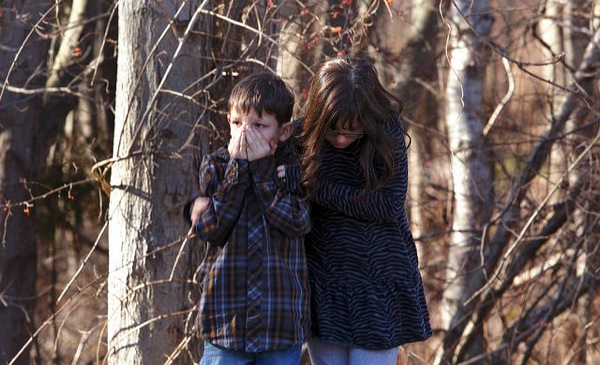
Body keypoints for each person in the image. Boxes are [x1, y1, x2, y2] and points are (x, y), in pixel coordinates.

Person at [300, 56, 432, 365]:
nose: (342, 139)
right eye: (333, 131)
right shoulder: (301, 139)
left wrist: (316, 189)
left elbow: (387, 204)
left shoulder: (387, 135)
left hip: (380, 283)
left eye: (352, 131)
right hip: (325, 284)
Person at [183, 71, 311, 365]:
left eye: (259, 125)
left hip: (279, 324)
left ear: (284, 131)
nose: (246, 133)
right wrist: (238, 171)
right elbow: (211, 228)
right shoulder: (216, 166)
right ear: (228, 123)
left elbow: (298, 222)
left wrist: (265, 172)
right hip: (226, 324)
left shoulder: (292, 171)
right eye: (238, 123)